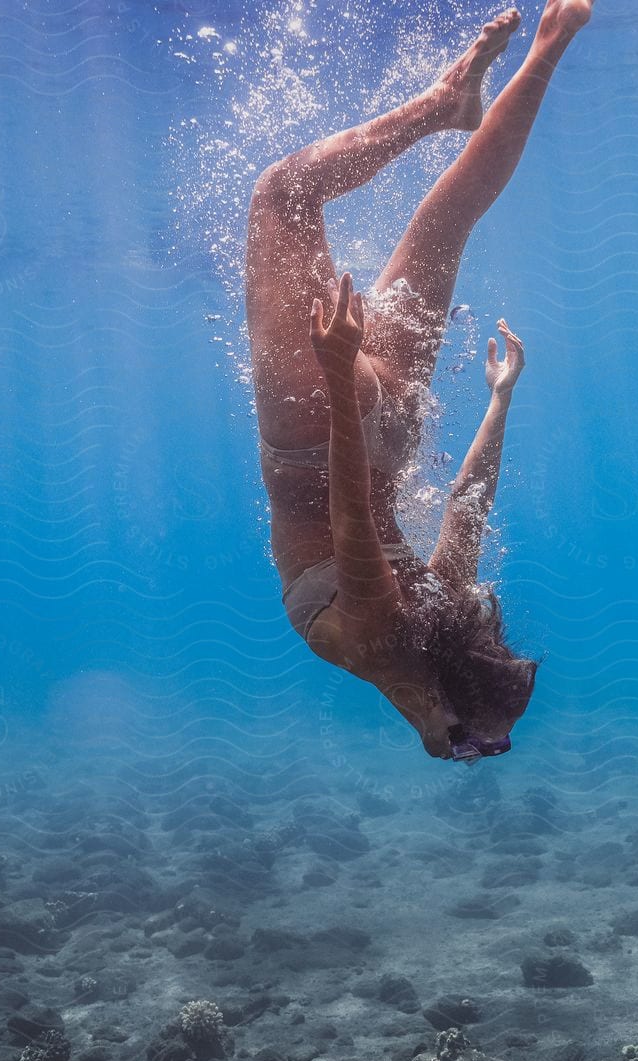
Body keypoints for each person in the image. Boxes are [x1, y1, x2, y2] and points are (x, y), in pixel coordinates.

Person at [245, 2, 593, 760]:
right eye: (470, 743)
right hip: (321, 431)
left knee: (448, 220)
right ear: (444, 704)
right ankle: (443, 103)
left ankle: (549, 47)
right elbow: (352, 525)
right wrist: (339, 377)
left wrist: (501, 399)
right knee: (282, 195)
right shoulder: (384, 646)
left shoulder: (448, 616)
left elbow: (468, 504)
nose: (462, 752)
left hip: (389, 431)